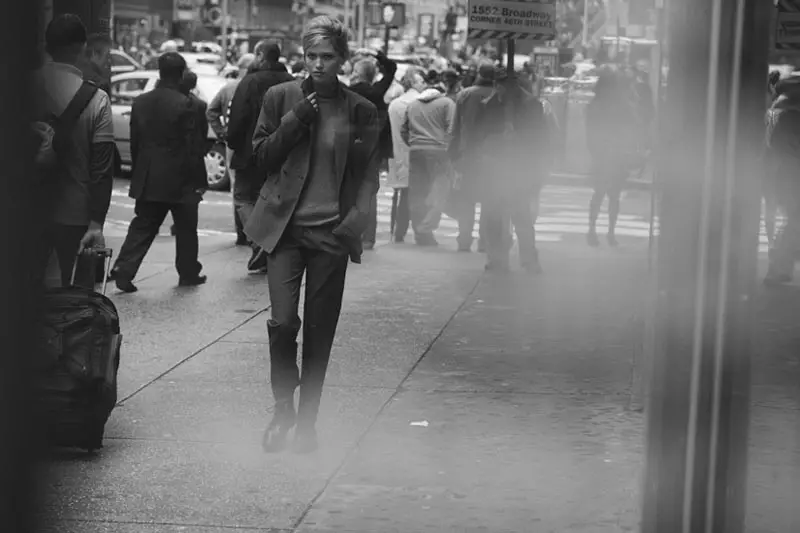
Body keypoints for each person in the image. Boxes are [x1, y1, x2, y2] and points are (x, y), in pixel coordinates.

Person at [246, 15, 380, 454]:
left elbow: (367, 177)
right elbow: (261, 157)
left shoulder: (361, 110)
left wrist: (355, 221)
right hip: (284, 231)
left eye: (327, 57)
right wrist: (298, 118)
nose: (318, 64)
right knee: (284, 324)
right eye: (311, 56)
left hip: (331, 236)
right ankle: (283, 405)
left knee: (320, 334)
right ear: (301, 57)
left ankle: (308, 423)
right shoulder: (280, 96)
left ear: (342, 59)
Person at [110, 52, 207, 293]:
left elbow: (135, 142)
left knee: (143, 224)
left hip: (148, 173)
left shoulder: (141, 101)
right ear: (181, 73)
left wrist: (139, 169)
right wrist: (199, 180)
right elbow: (193, 147)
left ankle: (124, 268)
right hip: (181, 176)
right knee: (186, 227)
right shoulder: (188, 104)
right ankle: (188, 271)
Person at [33, 14, 114, 287]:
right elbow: (102, 168)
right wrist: (96, 224)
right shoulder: (97, 99)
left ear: (46, 46)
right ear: (82, 49)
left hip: (24, 209)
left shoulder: (17, 89)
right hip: (76, 216)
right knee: (75, 297)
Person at [227, 41, 294, 272]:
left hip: (251, 150)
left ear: (260, 56)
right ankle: (273, 243)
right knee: (275, 199)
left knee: (244, 197)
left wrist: (234, 143)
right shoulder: (291, 82)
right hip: (285, 150)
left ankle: (259, 243)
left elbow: (238, 117)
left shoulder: (250, 81)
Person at [346, 50, 397, 249]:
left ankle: (351, 233)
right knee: (370, 193)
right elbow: (391, 69)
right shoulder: (376, 92)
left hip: (350, 149)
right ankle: (368, 237)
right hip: (372, 150)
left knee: (350, 192)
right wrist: (377, 55)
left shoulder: (348, 93)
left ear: (357, 74)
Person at [206, 53, 256, 246]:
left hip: (233, 144)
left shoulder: (229, 88)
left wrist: (222, 132)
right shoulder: (254, 87)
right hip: (254, 142)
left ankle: (242, 233)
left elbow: (212, 111)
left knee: (238, 188)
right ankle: (254, 232)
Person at [401, 76, 456, 246]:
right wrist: (448, 146)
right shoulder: (447, 103)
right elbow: (452, 128)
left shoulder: (412, 105)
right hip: (438, 151)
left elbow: (404, 130)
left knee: (418, 191)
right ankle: (427, 226)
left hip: (416, 151)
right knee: (440, 188)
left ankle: (420, 231)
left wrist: (413, 143)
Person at [585, 66, 637, 247]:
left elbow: (590, 131)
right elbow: (632, 127)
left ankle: (592, 230)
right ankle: (610, 232)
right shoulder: (622, 104)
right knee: (613, 196)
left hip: (602, 154)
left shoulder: (596, 105)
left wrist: (594, 151)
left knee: (599, 194)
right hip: (616, 154)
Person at [764, 75, 800, 286]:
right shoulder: (791, 117)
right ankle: (779, 267)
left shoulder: (780, 112)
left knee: (794, 221)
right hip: (792, 175)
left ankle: (780, 266)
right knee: (795, 221)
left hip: (785, 174)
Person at [387, 66, 427, 242]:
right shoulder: (418, 103)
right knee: (416, 194)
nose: (424, 84)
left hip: (397, 152)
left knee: (401, 194)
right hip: (415, 153)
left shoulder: (395, 103)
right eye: (421, 81)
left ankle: (397, 230)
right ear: (413, 83)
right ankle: (417, 231)